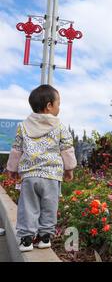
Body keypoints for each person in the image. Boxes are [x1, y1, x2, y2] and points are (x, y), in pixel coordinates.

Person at [5, 85, 77, 252]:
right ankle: (45, 237)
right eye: (58, 103)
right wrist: (69, 169)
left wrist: (12, 169)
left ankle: (26, 239)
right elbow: (67, 149)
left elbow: (17, 149)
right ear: (49, 106)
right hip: (51, 176)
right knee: (49, 206)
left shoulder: (23, 126)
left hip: (30, 176)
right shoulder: (60, 127)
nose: (59, 107)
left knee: (28, 206)